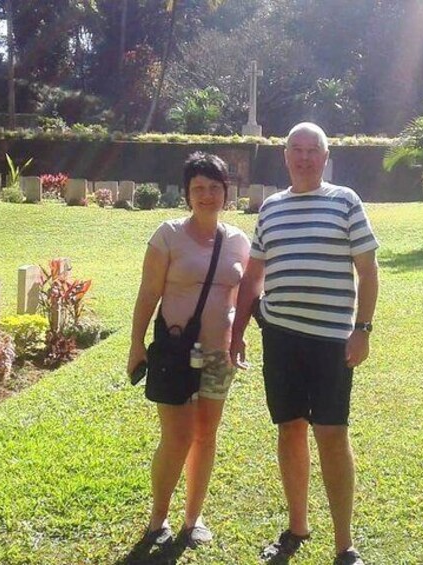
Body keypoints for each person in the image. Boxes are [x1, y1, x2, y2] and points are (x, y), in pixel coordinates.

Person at [230, 122, 380, 565]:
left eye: (313, 150)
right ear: (285, 156)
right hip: (280, 339)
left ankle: (344, 545)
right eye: (296, 149)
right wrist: (238, 332)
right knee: (290, 428)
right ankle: (297, 526)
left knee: (332, 434)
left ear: (326, 155)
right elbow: (254, 277)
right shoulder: (271, 208)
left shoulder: (345, 201)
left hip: (332, 343)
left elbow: (368, 271)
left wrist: (363, 329)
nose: (304, 157)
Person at [128, 152, 251, 552]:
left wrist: (240, 336)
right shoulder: (168, 235)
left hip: (219, 354)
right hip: (175, 352)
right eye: (198, 188)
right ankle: (158, 518)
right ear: (187, 194)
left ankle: (193, 519)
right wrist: (135, 344)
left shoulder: (238, 241)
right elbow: (149, 293)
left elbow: (239, 294)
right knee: (178, 436)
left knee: (206, 435)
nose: (207, 195)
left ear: (225, 193)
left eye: (214, 188)